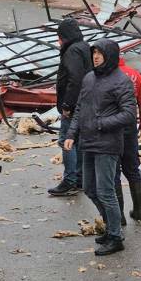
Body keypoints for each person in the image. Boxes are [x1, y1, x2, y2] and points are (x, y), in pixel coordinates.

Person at [65, 39, 136, 256]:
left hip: (107, 144)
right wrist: (71, 134)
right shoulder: (89, 78)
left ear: (110, 56)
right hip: (87, 142)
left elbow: (129, 114)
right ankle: (110, 227)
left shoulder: (121, 81)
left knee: (106, 191)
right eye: (94, 53)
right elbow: (79, 109)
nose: (95, 57)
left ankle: (115, 236)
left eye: (100, 53)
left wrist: (100, 124)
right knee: (89, 188)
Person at [49, 18, 92, 197]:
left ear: (65, 37)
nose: (59, 41)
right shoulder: (84, 47)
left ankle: (70, 180)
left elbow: (75, 79)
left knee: (67, 141)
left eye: (59, 37)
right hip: (85, 103)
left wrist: (67, 104)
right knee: (79, 141)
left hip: (74, 106)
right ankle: (81, 178)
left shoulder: (72, 51)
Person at [114, 56, 141, 225]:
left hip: (110, 129)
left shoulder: (105, 75)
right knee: (132, 168)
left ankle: (119, 215)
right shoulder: (134, 75)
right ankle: (139, 210)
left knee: (113, 171)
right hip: (129, 128)